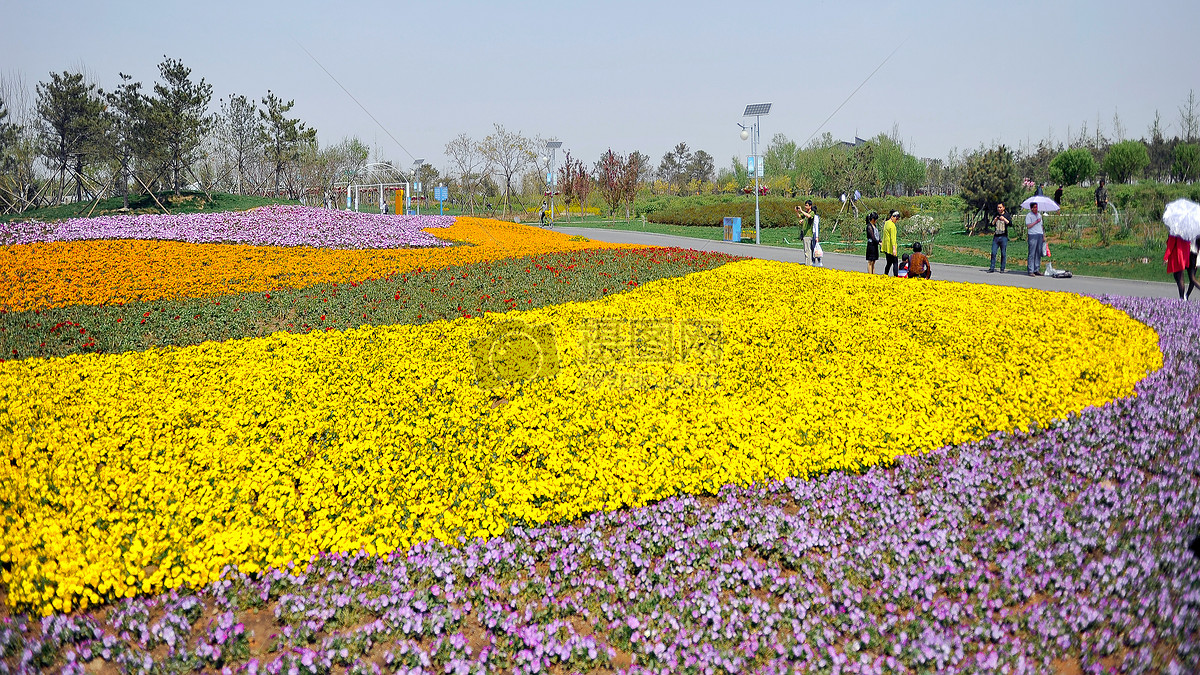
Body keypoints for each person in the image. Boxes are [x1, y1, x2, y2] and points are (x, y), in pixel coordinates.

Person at [1165, 233, 1198, 300]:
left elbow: (1171, 244)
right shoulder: (1187, 231)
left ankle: (1183, 297)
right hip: (1186, 254)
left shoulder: (1176, 231)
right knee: (1188, 278)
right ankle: (1185, 296)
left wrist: (1166, 257)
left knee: (1181, 277)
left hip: (1182, 254)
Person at [988, 203, 1010, 273]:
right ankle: (992, 267)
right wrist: (995, 219)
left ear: (1003, 208)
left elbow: (1010, 223)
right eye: (998, 207)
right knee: (993, 252)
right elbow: (991, 224)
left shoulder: (1006, 215)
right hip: (996, 236)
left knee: (1003, 253)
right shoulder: (996, 214)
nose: (999, 209)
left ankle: (1002, 268)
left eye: (1000, 207)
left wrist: (1004, 219)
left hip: (1003, 236)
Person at [1026, 201, 1045, 276]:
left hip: (1039, 234)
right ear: (1031, 208)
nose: (1036, 209)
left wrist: (1043, 236)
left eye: (1036, 207)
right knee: (1032, 253)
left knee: (1038, 252)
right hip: (1032, 235)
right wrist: (1036, 222)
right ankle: (1031, 270)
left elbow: (1041, 226)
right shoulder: (1029, 215)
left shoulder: (1039, 215)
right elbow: (1028, 226)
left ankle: (1037, 269)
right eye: (1034, 207)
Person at [881, 210, 901, 276]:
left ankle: (885, 275)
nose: (897, 220)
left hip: (886, 247)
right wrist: (894, 249)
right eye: (896, 218)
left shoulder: (886, 223)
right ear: (892, 217)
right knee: (895, 263)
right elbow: (893, 238)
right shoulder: (892, 226)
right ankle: (896, 277)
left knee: (889, 263)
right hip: (891, 248)